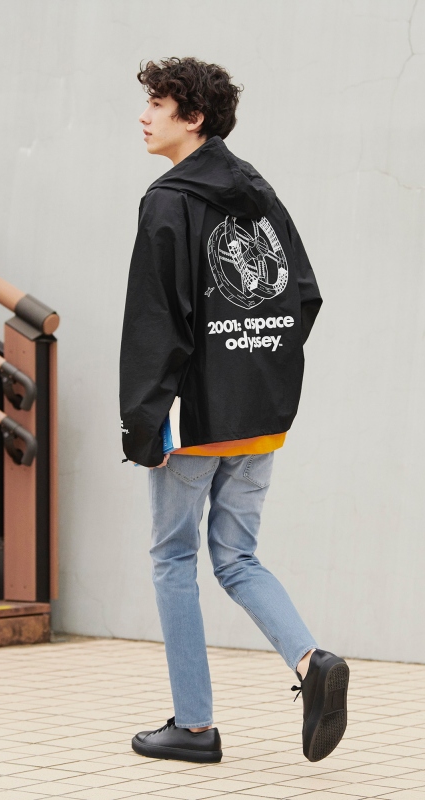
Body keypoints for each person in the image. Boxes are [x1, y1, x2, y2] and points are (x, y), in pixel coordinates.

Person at [119, 56, 349, 764]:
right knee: (238, 555)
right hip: (261, 417)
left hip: (195, 420)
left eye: (158, 104)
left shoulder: (167, 201)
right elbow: (302, 295)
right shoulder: (257, 191)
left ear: (193, 118)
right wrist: (256, 374)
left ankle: (194, 728)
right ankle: (311, 661)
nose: (143, 116)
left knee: (172, 558)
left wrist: (143, 421)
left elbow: (157, 323)